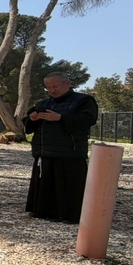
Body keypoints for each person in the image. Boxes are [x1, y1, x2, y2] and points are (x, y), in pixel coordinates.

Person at [23, 72, 99, 224]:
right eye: (48, 87)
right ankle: (44, 211)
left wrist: (60, 118)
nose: (52, 90)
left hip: (70, 152)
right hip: (45, 151)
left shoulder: (83, 100)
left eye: (55, 86)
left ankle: (71, 215)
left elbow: (88, 120)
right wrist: (32, 119)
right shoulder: (43, 103)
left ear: (68, 83)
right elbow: (28, 124)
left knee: (70, 186)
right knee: (45, 183)